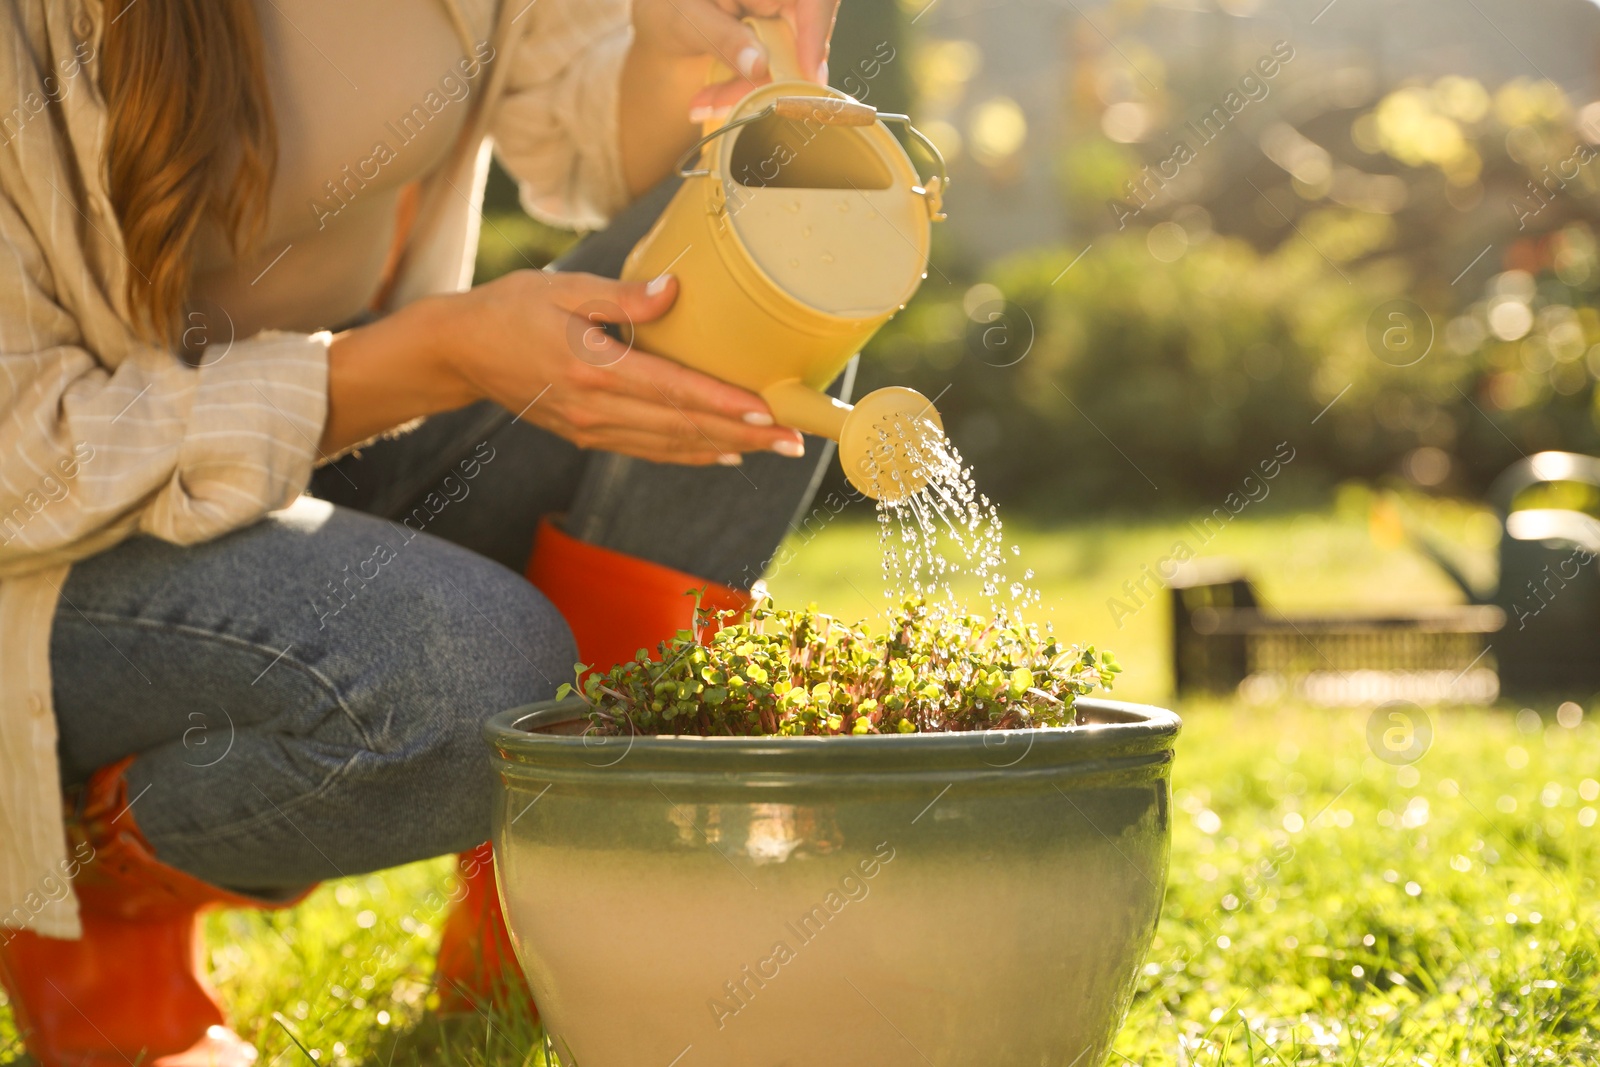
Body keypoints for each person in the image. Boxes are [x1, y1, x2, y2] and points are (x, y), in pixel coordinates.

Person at [0, 0, 844, 1063]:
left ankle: (542, 921)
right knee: (474, 678)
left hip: (334, 443)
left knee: (786, 235)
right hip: (54, 550)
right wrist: (437, 357)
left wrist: (673, 56)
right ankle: (94, 898)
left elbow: (583, 135)